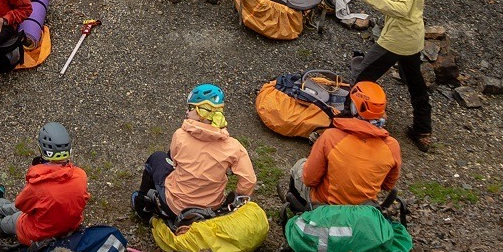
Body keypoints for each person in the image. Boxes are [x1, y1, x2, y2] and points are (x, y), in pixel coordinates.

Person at [350, 0, 431, 150]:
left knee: (361, 78)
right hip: (414, 37)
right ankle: (423, 131)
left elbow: (402, 8)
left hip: (396, 38)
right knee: (416, 84)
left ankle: (354, 123)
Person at [134, 83, 258, 224]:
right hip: (211, 210)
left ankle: (142, 207)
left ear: (200, 112)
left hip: (176, 207)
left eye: (190, 108)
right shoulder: (234, 146)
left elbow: (174, 161)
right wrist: (238, 196)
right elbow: (249, 180)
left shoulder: (180, 135)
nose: (187, 112)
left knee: (156, 158)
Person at [287, 78, 402, 211]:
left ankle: (299, 211)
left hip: (326, 206)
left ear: (353, 107)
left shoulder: (331, 137)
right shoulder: (392, 146)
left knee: (300, 166)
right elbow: (388, 185)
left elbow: (309, 179)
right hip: (363, 210)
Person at [0, 120, 89, 248]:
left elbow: (21, 205)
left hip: (38, 234)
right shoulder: (81, 175)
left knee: (13, 219)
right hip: (69, 227)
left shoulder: (38, 185)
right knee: (37, 205)